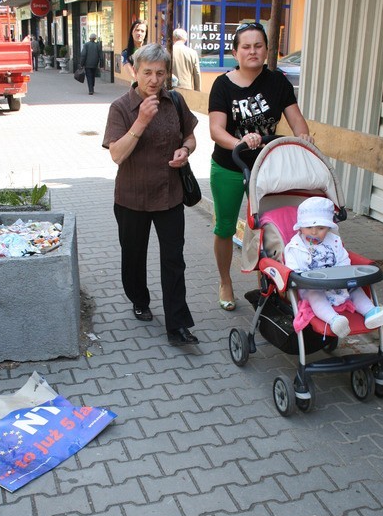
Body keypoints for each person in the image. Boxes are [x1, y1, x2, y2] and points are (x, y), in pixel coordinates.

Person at [209, 21, 313, 312]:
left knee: (268, 228)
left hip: (268, 168)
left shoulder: (278, 82)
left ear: (267, 50)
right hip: (230, 165)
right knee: (225, 227)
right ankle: (225, 280)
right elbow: (216, 130)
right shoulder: (222, 85)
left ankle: (264, 284)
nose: (253, 51)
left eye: (258, 46)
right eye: (246, 46)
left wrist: (302, 136)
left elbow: (296, 119)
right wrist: (241, 142)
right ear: (235, 52)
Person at [103, 43, 199, 347]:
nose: (154, 79)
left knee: (174, 260)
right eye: (147, 72)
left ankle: (178, 325)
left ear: (167, 74)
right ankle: (139, 299)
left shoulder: (176, 101)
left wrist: (186, 149)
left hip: (170, 195)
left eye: (160, 73)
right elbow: (117, 155)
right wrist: (141, 121)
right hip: (132, 198)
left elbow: (191, 136)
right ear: (135, 71)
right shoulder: (120, 107)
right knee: (133, 257)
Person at [284, 197, 383, 337]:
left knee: (355, 289)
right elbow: (293, 272)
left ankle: (371, 313)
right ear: (300, 227)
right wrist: (310, 280)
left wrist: (342, 277)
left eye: (321, 228)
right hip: (312, 286)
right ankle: (334, 320)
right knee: (315, 295)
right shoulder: (295, 247)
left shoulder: (334, 241)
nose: (314, 232)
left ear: (328, 227)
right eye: (309, 227)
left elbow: (344, 261)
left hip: (337, 282)